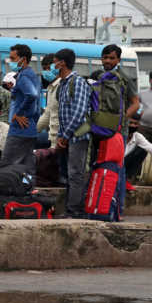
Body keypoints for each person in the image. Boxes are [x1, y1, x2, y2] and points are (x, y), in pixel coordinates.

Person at [54, 48, 92, 218]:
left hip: (78, 136)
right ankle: (71, 208)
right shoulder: (62, 84)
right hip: (68, 137)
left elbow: (79, 112)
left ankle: (75, 210)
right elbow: (63, 113)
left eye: (55, 62)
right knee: (69, 174)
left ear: (62, 63)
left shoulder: (77, 82)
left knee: (76, 173)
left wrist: (65, 135)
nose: (53, 65)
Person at [1, 43, 42, 174]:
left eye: (13, 59)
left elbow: (32, 95)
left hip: (19, 129)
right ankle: (28, 188)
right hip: (30, 128)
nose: (10, 62)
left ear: (23, 59)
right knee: (27, 165)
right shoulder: (32, 75)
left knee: (7, 164)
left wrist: (18, 113)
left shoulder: (23, 76)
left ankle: (7, 193)